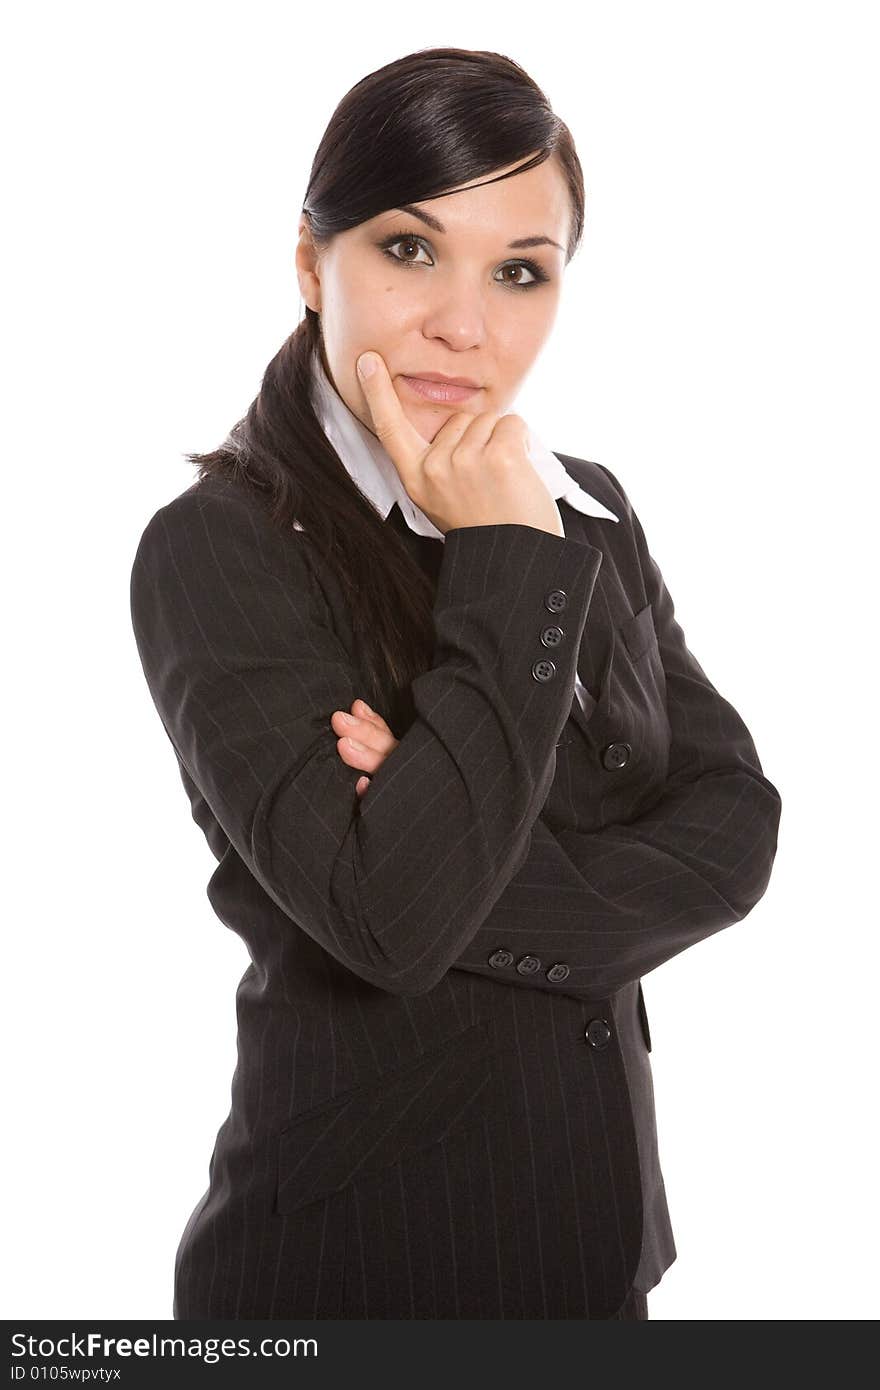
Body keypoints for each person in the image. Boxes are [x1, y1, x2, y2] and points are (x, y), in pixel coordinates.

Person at [129, 46, 782, 1321]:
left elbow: (734, 831)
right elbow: (390, 922)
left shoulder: (585, 510)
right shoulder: (219, 547)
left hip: (592, 1256)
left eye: (520, 271)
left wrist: (435, 830)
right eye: (411, 249)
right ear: (312, 263)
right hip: (352, 1269)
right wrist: (503, 562)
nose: (466, 324)